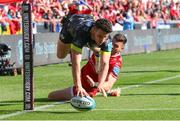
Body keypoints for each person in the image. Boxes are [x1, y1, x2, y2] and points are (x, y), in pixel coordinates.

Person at [49, 33, 127, 100]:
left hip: (86, 88)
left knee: (51, 96)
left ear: (122, 48)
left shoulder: (117, 63)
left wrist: (95, 85)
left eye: (116, 46)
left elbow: (109, 84)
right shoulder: (104, 46)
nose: (112, 47)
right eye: (112, 44)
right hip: (80, 78)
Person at [57, 13, 113, 97]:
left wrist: (100, 84)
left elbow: (105, 63)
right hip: (70, 27)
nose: (102, 40)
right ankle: (75, 47)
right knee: (61, 55)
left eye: (105, 36)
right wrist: (78, 86)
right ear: (94, 29)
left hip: (87, 26)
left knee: (99, 46)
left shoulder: (107, 40)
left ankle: (93, 49)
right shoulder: (81, 33)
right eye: (100, 36)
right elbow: (76, 63)